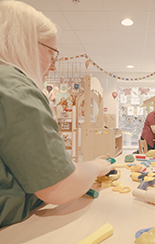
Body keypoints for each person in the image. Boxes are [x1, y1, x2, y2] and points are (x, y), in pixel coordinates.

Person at [0, 1, 115, 228]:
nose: (53, 66)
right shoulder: (16, 87)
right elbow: (60, 188)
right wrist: (96, 166)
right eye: (52, 54)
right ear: (24, 43)